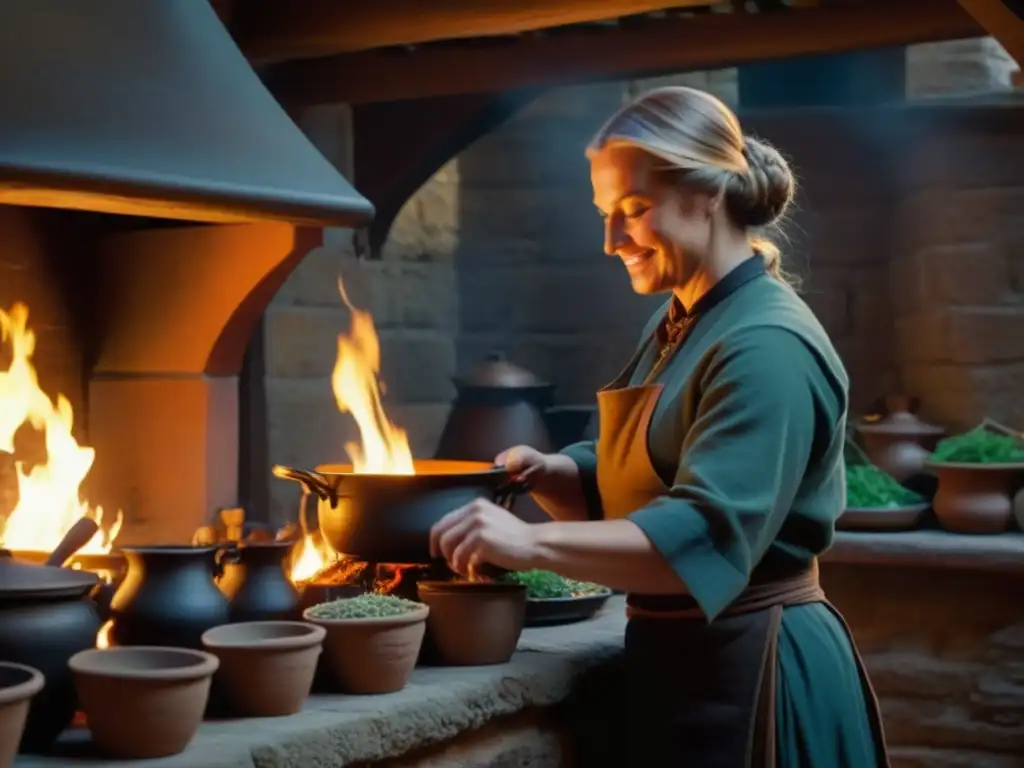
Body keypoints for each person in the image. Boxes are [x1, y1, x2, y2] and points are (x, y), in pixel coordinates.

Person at [429, 86, 889, 767]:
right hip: (682, 668)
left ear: (708, 194)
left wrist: (530, 542)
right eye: (605, 214)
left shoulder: (768, 345)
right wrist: (569, 473)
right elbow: (661, 461)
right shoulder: (681, 317)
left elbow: (702, 532)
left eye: (633, 211)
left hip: (760, 675)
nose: (611, 241)